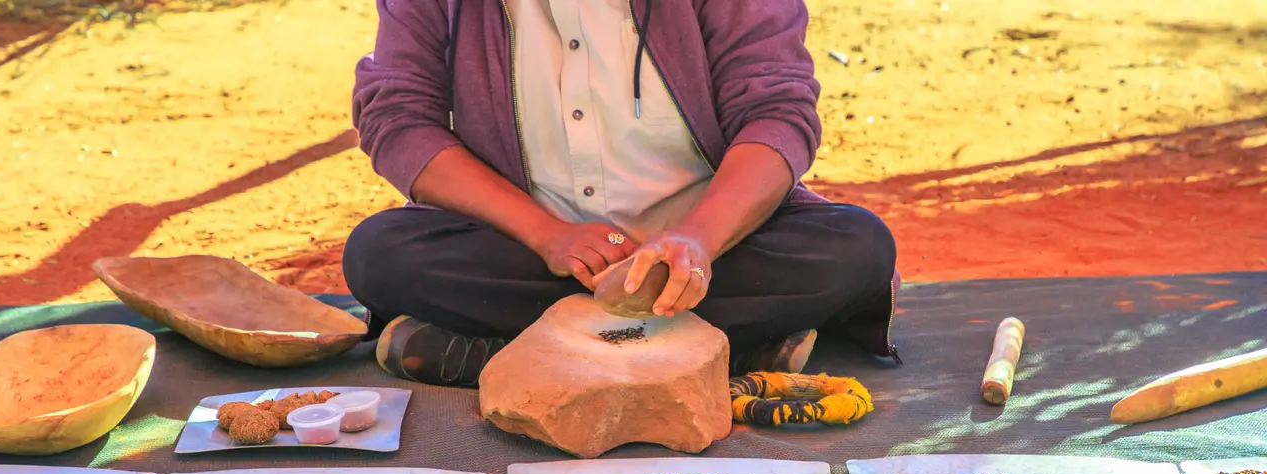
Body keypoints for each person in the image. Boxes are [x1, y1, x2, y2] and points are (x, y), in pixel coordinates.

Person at [346, 0, 900, 387]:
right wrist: (547, 235)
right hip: (527, 251)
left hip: (714, 251)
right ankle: (720, 349)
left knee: (855, 246)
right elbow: (399, 118)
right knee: (380, 253)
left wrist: (696, 241)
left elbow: (777, 112)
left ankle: (510, 353)